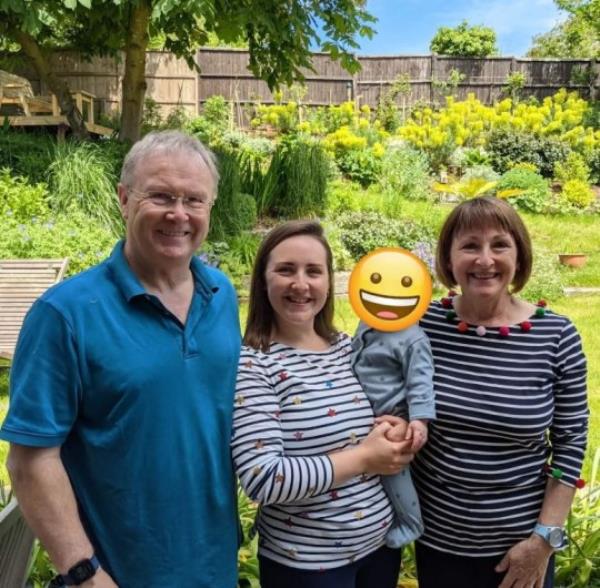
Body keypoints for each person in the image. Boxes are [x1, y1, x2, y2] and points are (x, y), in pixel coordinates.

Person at [0, 131, 242, 587]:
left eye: (195, 199)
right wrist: (85, 573)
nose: (179, 214)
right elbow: (30, 461)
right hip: (117, 574)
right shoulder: (64, 314)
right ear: (124, 198)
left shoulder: (221, 295)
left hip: (213, 566)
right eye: (161, 196)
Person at [411, 196, 588, 588]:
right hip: (438, 546)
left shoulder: (556, 336)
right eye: (470, 245)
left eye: (499, 245)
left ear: (519, 255)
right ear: (449, 257)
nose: (484, 260)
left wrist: (543, 540)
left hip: (520, 550)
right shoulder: (423, 325)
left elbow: (571, 443)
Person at [232, 220, 413, 588]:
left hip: (380, 549)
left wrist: (397, 427)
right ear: (263, 280)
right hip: (308, 567)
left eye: (313, 271)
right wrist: (364, 458)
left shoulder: (350, 348)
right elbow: (263, 479)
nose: (301, 284)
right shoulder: (254, 365)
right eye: (285, 270)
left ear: (328, 282)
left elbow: (384, 412)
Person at [351, 316, 435, 547]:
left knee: (394, 473)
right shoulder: (366, 323)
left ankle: (411, 522)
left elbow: (420, 380)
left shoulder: (412, 337)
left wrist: (419, 420)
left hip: (391, 418)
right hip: (367, 414)